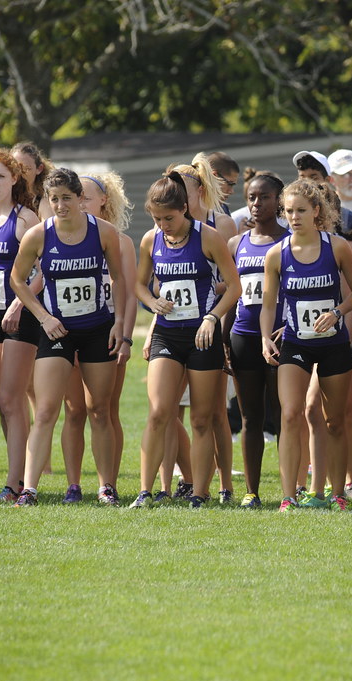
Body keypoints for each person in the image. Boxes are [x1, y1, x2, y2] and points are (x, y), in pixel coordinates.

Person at [9, 168, 127, 506]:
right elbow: (18, 280)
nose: (60, 205)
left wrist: (120, 322)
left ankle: (106, 487)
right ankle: (29, 489)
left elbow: (118, 279)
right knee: (46, 410)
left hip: (96, 329)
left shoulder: (103, 233)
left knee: (99, 410)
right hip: (57, 330)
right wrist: (43, 316)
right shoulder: (38, 235)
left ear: (79, 198)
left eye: (66, 198)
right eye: (54, 199)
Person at [130, 172, 241, 508]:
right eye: (156, 218)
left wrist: (211, 318)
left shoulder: (208, 237)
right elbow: (139, 284)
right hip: (167, 332)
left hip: (202, 336)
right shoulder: (150, 240)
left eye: (169, 218)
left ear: (184, 210)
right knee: (159, 411)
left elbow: (234, 288)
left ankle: (200, 493)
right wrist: (151, 303)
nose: (163, 224)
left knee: (201, 418)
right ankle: (145, 492)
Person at [259, 179, 352, 512]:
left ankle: (338, 493)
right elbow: (268, 305)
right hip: (296, 344)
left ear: (317, 211)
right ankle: (288, 496)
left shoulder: (337, 247)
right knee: (289, 415)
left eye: (301, 210)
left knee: (335, 420)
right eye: (288, 211)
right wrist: (263, 338)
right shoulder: (277, 254)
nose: (294, 217)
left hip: (334, 343)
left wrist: (337, 313)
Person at [57, 172, 137, 503]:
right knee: (74, 409)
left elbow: (129, 292)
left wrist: (126, 336)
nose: (80, 203)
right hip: (69, 331)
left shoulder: (118, 240)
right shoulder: (59, 236)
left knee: (103, 409)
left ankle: (108, 484)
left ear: (103, 200)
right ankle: (73, 485)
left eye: (87, 197)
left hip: (106, 332)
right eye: (78, 197)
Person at [0, 148, 42, 503]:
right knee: (3, 403)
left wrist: (18, 303)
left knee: (12, 400)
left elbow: (43, 271)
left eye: (0, 176)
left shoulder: (26, 218)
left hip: (20, 314)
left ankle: (16, 485)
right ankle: (20, 475)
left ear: (15, 178)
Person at [228, 171, 287, 508]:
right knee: (250, 416)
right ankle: (251, 491)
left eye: (264, 197)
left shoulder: (292, 240)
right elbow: (230, 295)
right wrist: (224, 340)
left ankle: (289, 489)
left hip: (282, 338)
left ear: (279, 201)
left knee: (282, 415)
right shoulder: (237, 243)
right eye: (251, 197)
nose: (256, 203)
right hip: (243, 337)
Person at [11, 141, 53, 219]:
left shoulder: (45, 202)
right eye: (15, 169)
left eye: (26, 169)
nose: (20, 173)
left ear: (39, 169)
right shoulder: (3, 197)